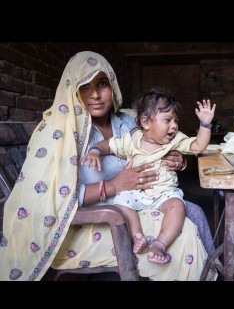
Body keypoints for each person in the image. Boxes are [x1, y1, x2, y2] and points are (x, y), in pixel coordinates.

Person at [0, 51, 216, 281]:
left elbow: (161, 142)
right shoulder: (60, 133)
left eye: (102, 84)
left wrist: (179, 161)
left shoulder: (128, 120)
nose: (94, 95)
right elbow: (46, 198)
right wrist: (112, 186)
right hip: (96, 221)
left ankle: (212, 272)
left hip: (142, 201)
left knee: (193, 211)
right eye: (84, 86)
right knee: (186, 232)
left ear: (113, 86)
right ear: (72, 90)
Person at [81, 88, 216, 264]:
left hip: (163, 194)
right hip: (135, 193)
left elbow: (198, 146)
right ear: (145, 123)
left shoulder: (174, 139)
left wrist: (205, 125)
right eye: (168, 120)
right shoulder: (132, 139)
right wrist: (94, 151)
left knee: (177, 206)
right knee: (122, 203)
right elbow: (108, 145)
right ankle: (138, 236)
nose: (174, 126)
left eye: (176, 121)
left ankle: (160, 243)